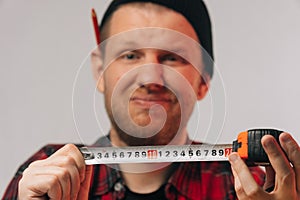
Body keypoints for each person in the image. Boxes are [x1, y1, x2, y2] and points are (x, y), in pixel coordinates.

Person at [3, 0, 300, 199]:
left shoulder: (252, 188)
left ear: (203, 82)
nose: (150, 77)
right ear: (100, 72)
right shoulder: (44, 176)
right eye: (130, 55)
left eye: (172, 57)